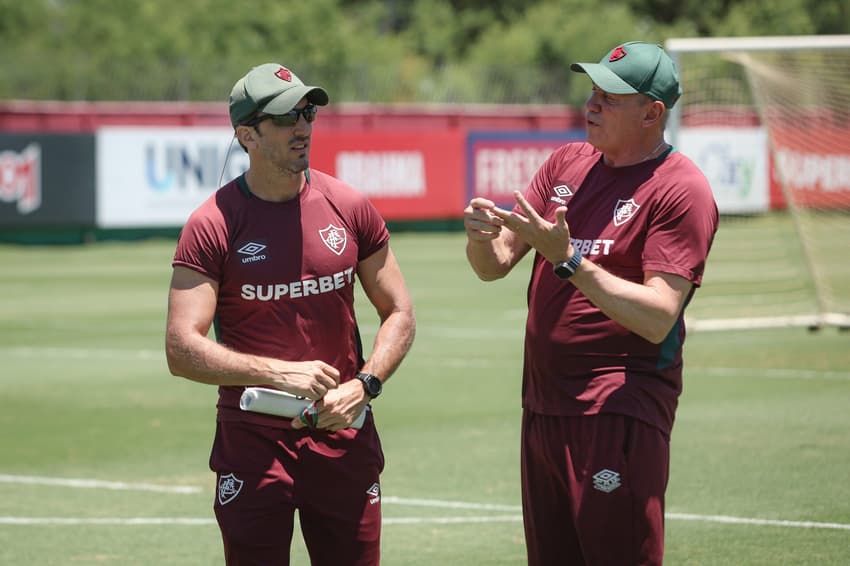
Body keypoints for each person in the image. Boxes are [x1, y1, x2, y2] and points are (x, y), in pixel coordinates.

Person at [463, 41, 718, 565]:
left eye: (610, 97)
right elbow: (494, 266)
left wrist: (570, 261)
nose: (592, 105)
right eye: (592, 91)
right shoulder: (566, 164)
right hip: (542, 405)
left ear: (653, 113)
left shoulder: (680, 188)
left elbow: (657, 316)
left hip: (617, 410)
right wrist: (479, 236)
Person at [165, 62, 416, 566]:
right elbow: (181, 348)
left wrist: (364, 385)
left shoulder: (348, 205)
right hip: (253, 440)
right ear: (247, 135)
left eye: (308, 111)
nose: (303, 126)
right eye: (285, 118)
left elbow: (399, 312)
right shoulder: (212, 223)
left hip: (344, 430)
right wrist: (276, 371)